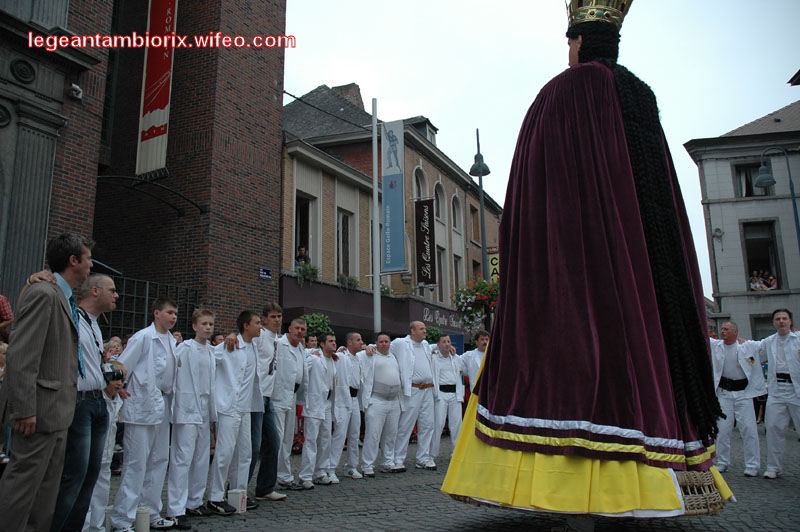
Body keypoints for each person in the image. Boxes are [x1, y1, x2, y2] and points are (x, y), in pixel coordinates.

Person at [442, 2, 731, 518]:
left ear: (578, 41)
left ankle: (573, 499)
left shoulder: (562, 92)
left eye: (569, 41)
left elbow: (534, 199)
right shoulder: (640, 96)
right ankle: (665, 488)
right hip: (645, 279)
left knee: (574, 372)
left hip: (580, 271)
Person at [0, 233, 94, 532]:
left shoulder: (61, 296)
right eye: (88, 258)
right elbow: (23, 354)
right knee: (22, 488)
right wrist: (24, 408)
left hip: (57, 412)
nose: (91, 265)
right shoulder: (44, 293)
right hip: (37, 413)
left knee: (45, 495)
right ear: (73, 260)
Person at [51, 274, 119, 532]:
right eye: (111, 290)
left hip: (98, 400)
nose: (116, 296)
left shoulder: (95, 324)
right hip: (79, 403)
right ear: (94, 291)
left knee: (91, 475)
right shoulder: (74, 317)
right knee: (74, 476)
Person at [111, 297, 179, 531]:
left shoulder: (171, 341)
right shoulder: (142, 337)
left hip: (162, 405)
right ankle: (122, 519)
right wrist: (120, 388)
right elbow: (122, 365)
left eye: (175, 314)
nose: (173, 317)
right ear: (156, 313)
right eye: (169, 312)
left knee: (159, 460)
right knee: (136, 464)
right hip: (140, 405)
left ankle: (150, 512)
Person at [206, 310, 262, 515]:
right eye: (257, 323)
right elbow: (209, 356)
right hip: (228, 406)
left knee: (244, 453)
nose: (260, 326)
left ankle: (238, 493)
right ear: (246, 326)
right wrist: (230, 336)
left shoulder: (255, 345)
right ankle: (215, 496)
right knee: (224, 453)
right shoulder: (227, 346)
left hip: (245, 407)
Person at [166, 309, 218, 528]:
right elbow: (172, 375)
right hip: (187, 407)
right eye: (204, 324)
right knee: (182, 458)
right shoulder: (184, 348)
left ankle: (194, 501)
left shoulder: (212, 351)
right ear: (195, 326)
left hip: (204, 408)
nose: (208, 328)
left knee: (201, 456)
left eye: (211, 324)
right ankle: (175, 509)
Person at [709, 321, 765, 477]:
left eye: (726, 329)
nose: (723, 331)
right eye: (722, 329)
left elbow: (765, 345)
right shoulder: (716, 346)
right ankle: (722, 461)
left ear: (735, 332)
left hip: (743, 394)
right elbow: (703, 337)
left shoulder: (746, 346)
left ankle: (752, 464)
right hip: (724, 393)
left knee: (748, 429)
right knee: (722, 429)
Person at [750, 309, 800, 479]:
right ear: (773, 322)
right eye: (778, 319)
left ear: (790, 321)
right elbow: (753, 353)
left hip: (796, 389)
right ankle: (773, 466)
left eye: (784, 318)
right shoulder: (769, 342)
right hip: (777, 390)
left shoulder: (798, 339)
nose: (781, 321)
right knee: (772, 428)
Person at [82, 360, 127, 532]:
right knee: (87, 491)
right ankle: (84, 526)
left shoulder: (118, 401)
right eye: (113, 379)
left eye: (122, 380)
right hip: (94, 454)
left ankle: (97, 526)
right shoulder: (96, 402)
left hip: (106, 457)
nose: (118, 383)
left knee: (102, 493)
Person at [391, 321, 438, 471]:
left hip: (428, 390)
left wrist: (448, 348)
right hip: (412, 390)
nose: (425, 331)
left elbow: (438, 348)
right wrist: (369, 348)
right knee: (406, 425)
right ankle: (398, 459)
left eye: (424, 328)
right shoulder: (401, 343)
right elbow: (383, 347)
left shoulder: (425, 345)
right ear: (412, 331)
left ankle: (423, 458)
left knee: (427, 425)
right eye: (421, 329)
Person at [359, 332, 401, 476]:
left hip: (394, 401)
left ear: (390, 343)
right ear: (376, 343)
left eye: (386, 341)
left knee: (391, 434)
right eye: (381, 341)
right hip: (377, 400)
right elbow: (346, 351)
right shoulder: (369, 356)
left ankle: (388, 461)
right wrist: (366, 347)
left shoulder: (394, 356)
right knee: (373, 434)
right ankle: (367, 465)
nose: (384, 344)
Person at [273, 318, 308, 490]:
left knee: (288, 438)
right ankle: (274, 476)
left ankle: (284, 476)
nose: (300, 332)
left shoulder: (301, 348)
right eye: (297, 328)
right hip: (278, 396)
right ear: (289, 328)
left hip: (292, 396)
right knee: (278, 439)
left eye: (303, 329)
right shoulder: (278, 344)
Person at [298, 332, 336, 488]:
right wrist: (307, 355)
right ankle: (305, 475)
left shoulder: (334, 360)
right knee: (311, 440)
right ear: (322, 344)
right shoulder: (314, 358)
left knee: (326, 439)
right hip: (314, 403)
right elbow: (301, 370)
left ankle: (320, 471)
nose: (334, 343)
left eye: (334, 341)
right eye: (330, 341)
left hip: (327, 403)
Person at [329, 332, 365, 480]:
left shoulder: (358, 358)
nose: (361, 342)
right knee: (340, 433)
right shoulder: (341, 356)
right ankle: (330, 468)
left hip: (355, 398)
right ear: (349, 342)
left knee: (355, 434)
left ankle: (351, 466)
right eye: (358, 340)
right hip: (343, 398)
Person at [431, 334, 464, 460]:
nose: (447, 344)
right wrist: (435, 347)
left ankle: (456, 452)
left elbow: (463, 370)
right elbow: (426, 347)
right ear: (438, 344)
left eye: (448, 341)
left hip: (455, 393)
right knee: (438, 423)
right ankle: (432, 454)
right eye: (443, 342)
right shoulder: (433, 357)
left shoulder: (456, 358)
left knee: (456, 425)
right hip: (441, 393)